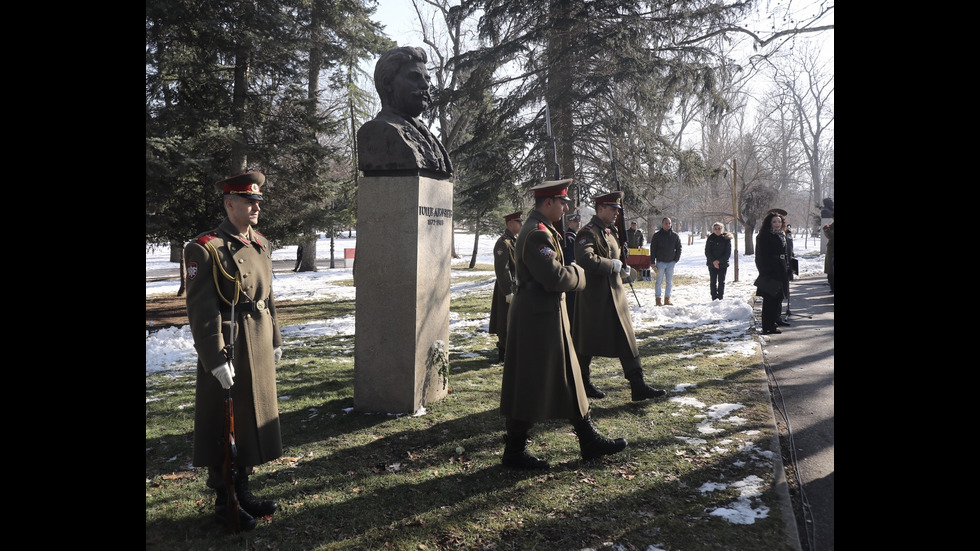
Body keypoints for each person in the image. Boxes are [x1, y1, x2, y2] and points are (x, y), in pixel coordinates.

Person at [500, 179, 627, 470]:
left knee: (568, 374)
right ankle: (514, 451)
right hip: (536, 317)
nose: (566, 207)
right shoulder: (536, 234)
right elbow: (555, 277)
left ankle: (587, 438)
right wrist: (579, 274)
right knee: (529, 381)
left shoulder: (541, 229)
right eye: (562, 202)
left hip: (544, 314)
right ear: (548, 203)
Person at [184, 171, 284, 532]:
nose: (255, 206)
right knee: (223, 422)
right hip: (230, 343)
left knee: (251, 419)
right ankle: (224, 501)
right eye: (247, 201)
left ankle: (244, 490)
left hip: (257, 339)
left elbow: (268, 297)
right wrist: (214, 359)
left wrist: (274, 338)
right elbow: (201, 311)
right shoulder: (205, 247)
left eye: (257, 201)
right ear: (229, 204)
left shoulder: (261, 243)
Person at [572, 191, 666, 401]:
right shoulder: (588, 233)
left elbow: (614, 257)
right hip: (595, 297)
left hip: (615, 295)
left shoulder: (609, 231)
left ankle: (638, 384)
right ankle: (581, 382)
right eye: (612, 209)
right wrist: (610, 265)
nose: (616, 212)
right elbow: (584, 258)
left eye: (617, 209)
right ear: (600, 209)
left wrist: (621, 269)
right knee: (586, 343)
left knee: (627, 339)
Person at [356, 46, 453, 176]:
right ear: (387, 83)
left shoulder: (425, 132)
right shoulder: (377, 131)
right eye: (414, 77)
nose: (426, 85)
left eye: (427, 78)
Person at [489, 211, 522, 363]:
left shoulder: (514, 240)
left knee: (514, 320)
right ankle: (503, 353)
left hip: (516, 285)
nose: (521, 224)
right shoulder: (503, 242)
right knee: (504, 320)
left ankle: (511, 351)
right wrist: (508, 291)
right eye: (518, 222)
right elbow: (503, 269)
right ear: (510, 224)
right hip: (506, 286)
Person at [754, 211, 789, 334]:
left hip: (781, 268)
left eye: (779, 221)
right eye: (774, 222)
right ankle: (767, 326)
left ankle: (775, 320)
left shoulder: (782, 235)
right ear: (769, 223)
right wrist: (765, 271)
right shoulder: (764, 235)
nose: (777, 224)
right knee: (770, 299)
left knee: (778, 298)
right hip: (770, 270)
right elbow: (760, 256)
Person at [649, 217, 682, 306]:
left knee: (669, 282)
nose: (667, 225)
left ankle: (667, 299)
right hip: (660, 262)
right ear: (662, 224)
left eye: (669, 223)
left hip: (671, 263)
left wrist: (676, 260)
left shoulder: (675, 236)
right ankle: (658, 300)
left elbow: (679, 248)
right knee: (659, 281)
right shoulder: (657, 236)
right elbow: (653, 249)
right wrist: (652, 261)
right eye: (666, 223)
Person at [562, 211, 582, 320]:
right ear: (569, 223)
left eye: (579, 221)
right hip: (571, 276)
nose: (578, 223)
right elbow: (570, 260)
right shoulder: (568, 239)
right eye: (575, 221)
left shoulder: (575, 237)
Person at [704, 222, 732, 300]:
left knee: (721, 281)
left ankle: (720, 297)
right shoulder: (710, 238)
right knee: (713, 282)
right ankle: (714, 297)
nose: (717, 230)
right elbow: (707, 251)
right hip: (711, 263)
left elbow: (727, 253)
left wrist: (719, 261)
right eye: (715, 229)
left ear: (722, 229)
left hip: (723, 264)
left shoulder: (726, 239)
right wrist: (713, 261)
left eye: (719, 228)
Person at [823, 212, 835, 293]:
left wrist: (827, 230)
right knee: (830, 270)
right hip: (831, 250)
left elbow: (831, 236)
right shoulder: (832, 225)